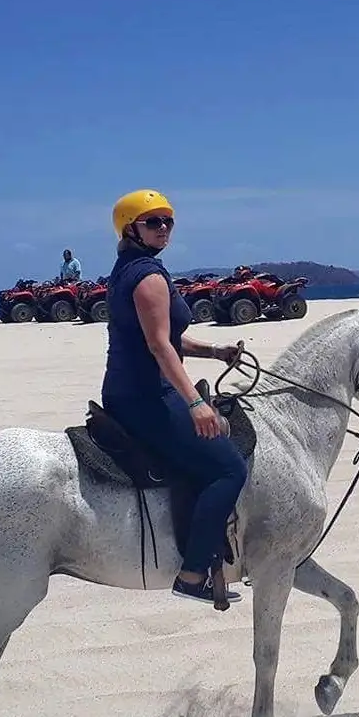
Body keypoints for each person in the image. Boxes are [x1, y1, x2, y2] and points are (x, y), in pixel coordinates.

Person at [101, 188, 248, 604]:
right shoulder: (148, 276)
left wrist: (215, 351)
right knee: (229, 470)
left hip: (127, 391)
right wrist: (195, 403)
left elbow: (171, 339)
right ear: (132, 229)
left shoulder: (128, 267)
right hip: (146, 396)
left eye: (168, 221)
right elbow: (160, 347)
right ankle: (193, 573)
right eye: (153, 222)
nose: (163, 228)